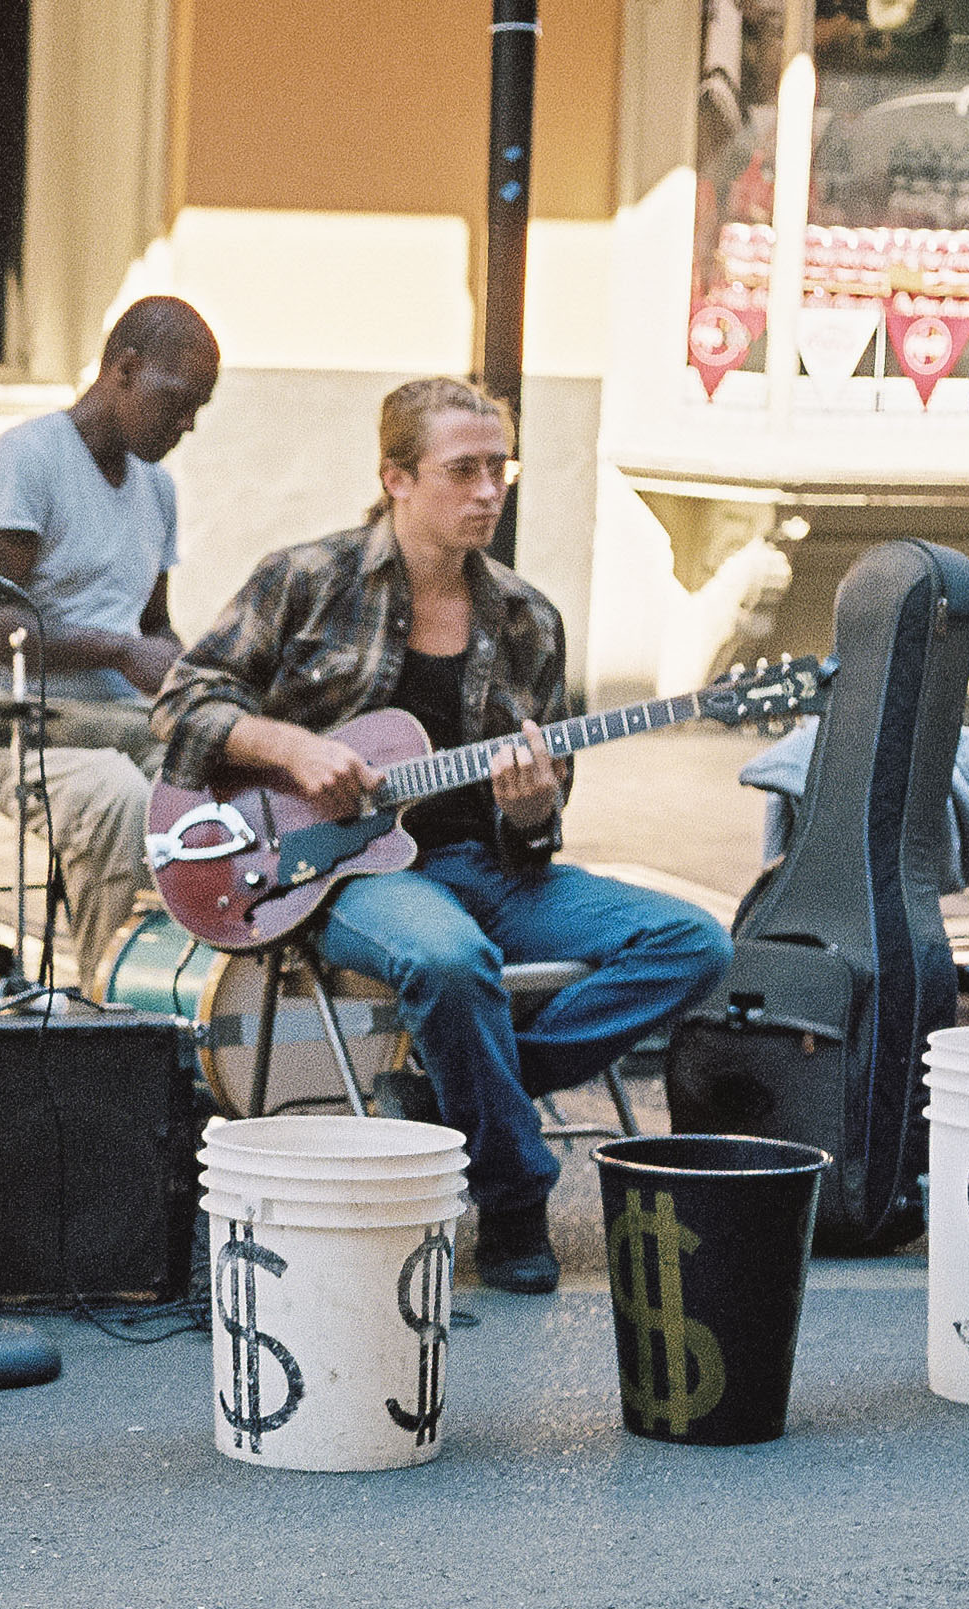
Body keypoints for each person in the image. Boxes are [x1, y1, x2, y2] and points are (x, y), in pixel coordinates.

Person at [150, 377, 732, 1293]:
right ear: (396, 477)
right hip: (337, 870)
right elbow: (183, 702)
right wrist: (294, 750)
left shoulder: (528, 617)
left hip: (486, 865)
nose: (488, 491)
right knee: (453, 963)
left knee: (693, 943)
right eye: (462, 471)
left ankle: (449, 1093)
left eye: (499, 469)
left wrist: (533, 810)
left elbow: (544, 815)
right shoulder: (305, 579)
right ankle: (511, 1196)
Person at [0, 297, 220, 986]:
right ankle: (106, 1003)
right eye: (177, 401)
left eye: (199, 408)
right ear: (124, 369)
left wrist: (187, 667)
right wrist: (116, 651)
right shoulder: (27, 460)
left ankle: (190, 992)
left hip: (106, 718)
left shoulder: (158, 488)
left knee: (218, 783)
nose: (186, 424)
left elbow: (151, 625)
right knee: (118, 799)